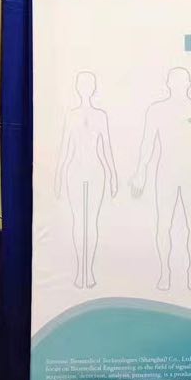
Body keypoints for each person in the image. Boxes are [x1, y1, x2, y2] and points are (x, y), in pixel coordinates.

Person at [130, 67, 191, 290]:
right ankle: (165, 272)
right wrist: (140, 172)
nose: (177, 85)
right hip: (165, 172)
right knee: (163, 223)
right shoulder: (156, 111)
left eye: (181, 81)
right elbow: (147, 143)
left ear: (188, 84)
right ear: (168, 84)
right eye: (174, 81)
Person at [54, 71, 118, 288]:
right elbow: (64, 150)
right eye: (82, 84)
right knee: (78, 221)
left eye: (88, 84)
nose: (85, 88)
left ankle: (88, 271)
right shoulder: (71, 116)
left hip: (96, 171)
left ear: (93, 88)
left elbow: (106, 148)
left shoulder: (101, 116)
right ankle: (79, 270)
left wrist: (112, 175)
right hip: (74, 171)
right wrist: (58, 175)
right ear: (77, 87)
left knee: (91, 222)